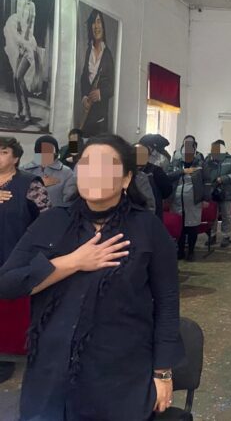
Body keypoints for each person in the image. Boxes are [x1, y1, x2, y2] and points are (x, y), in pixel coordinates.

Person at [0, 134, 184, 419]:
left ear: (126, 178)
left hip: (119, 375)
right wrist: (72, 262)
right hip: (52, 374)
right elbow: (8, 283)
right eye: (86, 164)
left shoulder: (147, 228)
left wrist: (162, 372)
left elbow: (167, 302)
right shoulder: (53, 221)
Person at [0, 136, 50, 384]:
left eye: (3, 152)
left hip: (13, 253)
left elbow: (47, 219)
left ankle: (6, 357)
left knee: (10, 311)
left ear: (16, 158)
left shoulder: (30, 184)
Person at [3, 0, 39, 124]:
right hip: (18, 41)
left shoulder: (33, 6)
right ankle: (19, 108)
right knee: (15, 78)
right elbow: (18, 24)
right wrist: (18, 42)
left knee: (19, 76)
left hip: (29, 43)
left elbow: (30, 26)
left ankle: (27, 110)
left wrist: (25, 44)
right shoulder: (19, 1)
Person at [168, 135, 206, 261]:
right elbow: (167, 176)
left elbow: (206, 182)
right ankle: (180, 251)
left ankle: (191, 251)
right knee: (180, 226)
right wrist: (182, 171)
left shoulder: (200, 164)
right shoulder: (175, 163)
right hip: (177, 200)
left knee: (192, 226)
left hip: (193, 200)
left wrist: (206, 198)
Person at [79, 10, 115, 137]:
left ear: (103, 26)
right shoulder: (88, 51)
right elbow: (84, 78)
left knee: (99, 148)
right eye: (93, 23)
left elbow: (111, 88)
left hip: (100, 119)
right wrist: (84, 97)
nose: (96, 26)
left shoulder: (108, 55)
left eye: (99, 22)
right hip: (87, 115)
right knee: (77, 145)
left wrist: (100, 93)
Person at [203, 140, 231, 247]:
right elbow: (204, 173)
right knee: (212, 215)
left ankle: (225, 236)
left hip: (227, 193)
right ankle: (212, 235)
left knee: (226, 216)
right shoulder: (208, 159)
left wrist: (223, 179)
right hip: (212, 192)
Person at [22, 135, 77, 205]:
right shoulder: (23, 171)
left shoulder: (67, 173)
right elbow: (17, 195)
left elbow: (69, 200)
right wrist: (39, 184)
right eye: (41, 151)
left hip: (56, 211)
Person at [135, 143, 172, 220]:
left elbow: (167, 190)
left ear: (148, 156)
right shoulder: (127, 170)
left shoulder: (156, 171)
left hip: (154, 212)